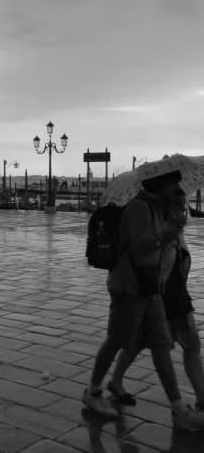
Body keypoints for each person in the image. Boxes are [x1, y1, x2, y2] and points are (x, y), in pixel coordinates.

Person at [82, 171, 204, 432]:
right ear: (160, 185)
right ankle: (92, 392)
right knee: (117, 340)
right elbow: (140, 246)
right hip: (130, 286)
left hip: (151, 287)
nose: (177, 188)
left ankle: (180, 411)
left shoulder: (160, 208)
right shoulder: (139, 208)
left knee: (161, 345)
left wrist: (174, 220)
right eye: (173, 183)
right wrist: (172, 231)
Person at [108, 186, 204, 412]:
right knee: (187, 342)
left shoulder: (176, 229)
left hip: (174, 289)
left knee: (142, 340)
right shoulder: (165, 228)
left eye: (184, 205)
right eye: (178, 204)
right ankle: (196, 401)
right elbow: (158, 258)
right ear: (168, 206)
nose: (183, 209)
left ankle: (116, 380)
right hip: (164, 290)